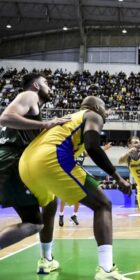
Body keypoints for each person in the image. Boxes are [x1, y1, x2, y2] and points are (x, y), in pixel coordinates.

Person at [18, 96, 132, 279]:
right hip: (51, 158)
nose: (105, 113)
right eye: (104, 108)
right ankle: (106, 269)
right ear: (95, 107)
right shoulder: (93, 115)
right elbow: (93, 147)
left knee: (50, 204)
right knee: (103, 204)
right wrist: (118, 177)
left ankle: (46, 259)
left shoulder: (70, 120)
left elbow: (83, 147)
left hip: (26, 164)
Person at [0, 72, 68, 273]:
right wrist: (44, 124)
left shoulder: (31, 109)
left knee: (39, 217)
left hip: (11, 164)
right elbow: (5, 118)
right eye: (46, 82)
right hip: (10, 164)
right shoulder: (29, 96)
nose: (49, 86)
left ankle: (47, 259)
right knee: (35, 222)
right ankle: (46, 259)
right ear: (36, 85)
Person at [58, 143, 112, 227]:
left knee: (79, 197)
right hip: (68, 174)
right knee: (64, 197)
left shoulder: (83, 152)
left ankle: (74, 215)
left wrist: (104, 148)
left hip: (78, 176)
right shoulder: (69, 151)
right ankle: (61, 215)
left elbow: (93, 152)